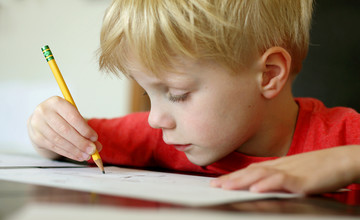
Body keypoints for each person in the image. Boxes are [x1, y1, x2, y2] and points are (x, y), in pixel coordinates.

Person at [28, 0, 360, 195]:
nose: (155, 119)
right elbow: (80, 140)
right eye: (148, 94)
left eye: (177, 94)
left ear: (268, 75)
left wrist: (346, 161)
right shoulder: (163, 137)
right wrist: (48, 133)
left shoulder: (345, 137)